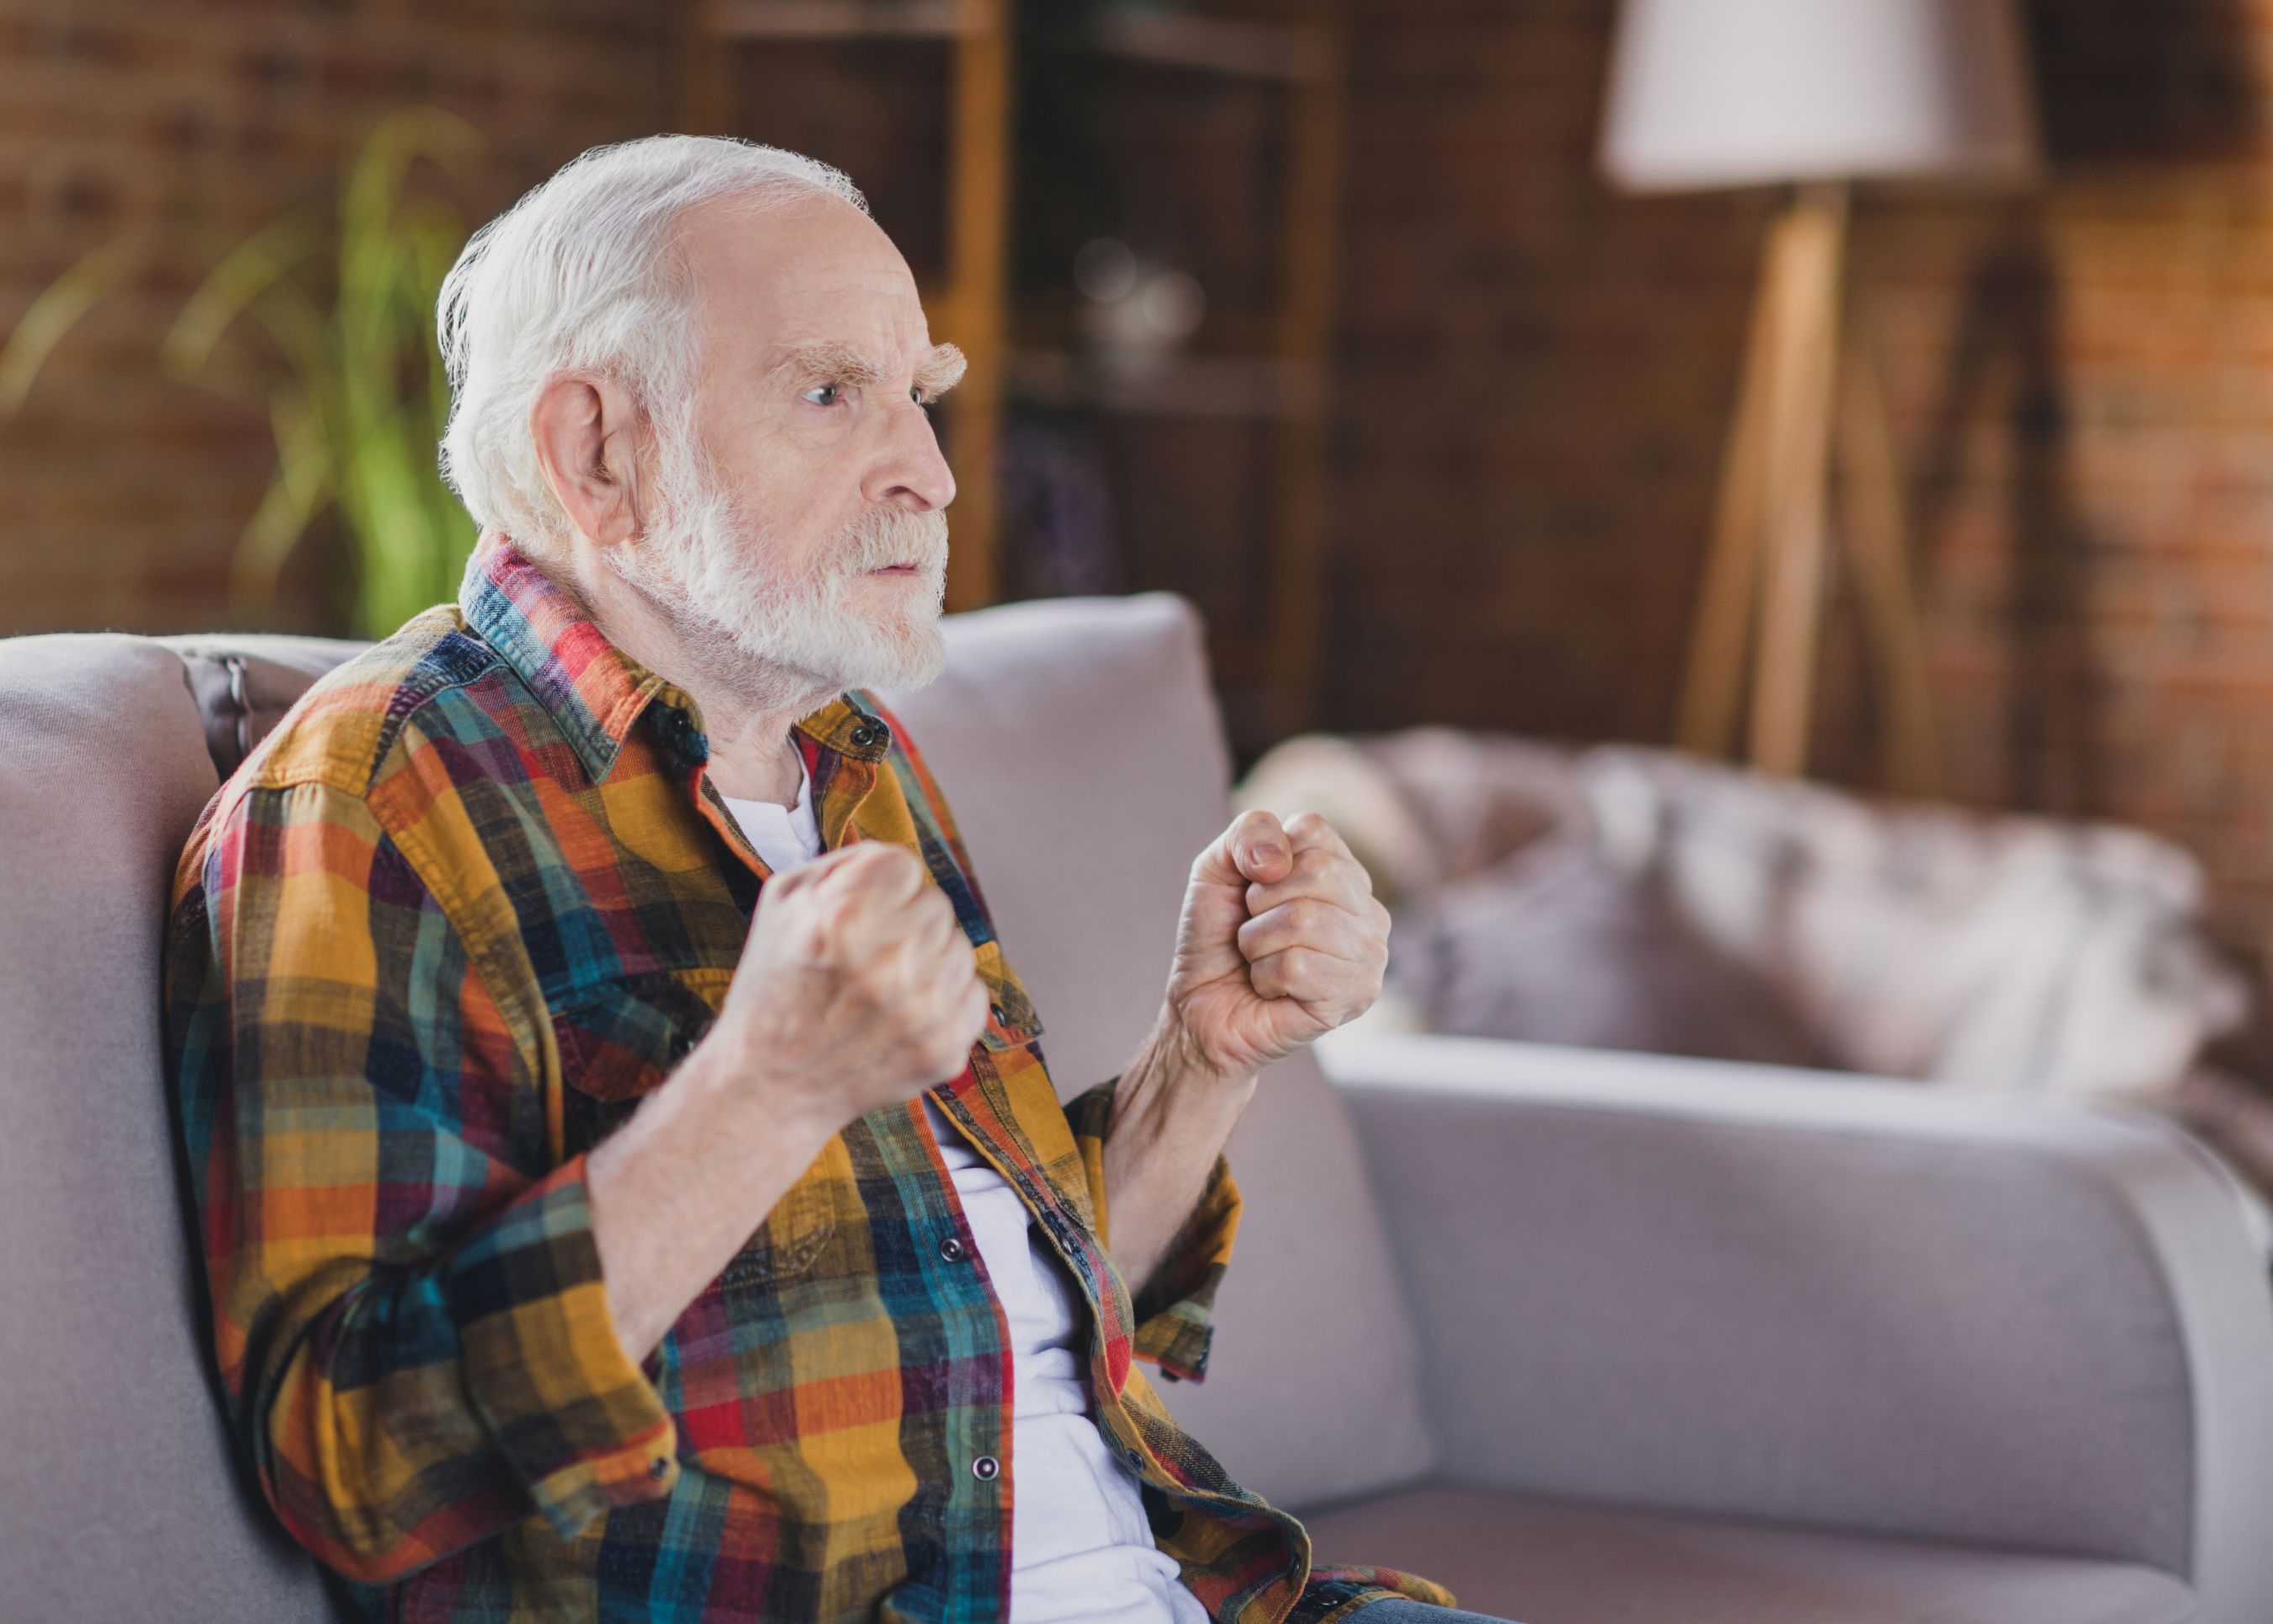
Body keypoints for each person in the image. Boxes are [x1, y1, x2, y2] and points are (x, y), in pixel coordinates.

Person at [163, 134, 1524, 1624]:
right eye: (830, 394)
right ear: (594, 454)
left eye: (919, 397)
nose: (931, 475)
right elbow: (355, 1464)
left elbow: (1016, 1328)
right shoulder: (371, 802)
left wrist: (1199, 1065)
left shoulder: (846, 752)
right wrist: (762, 1092)